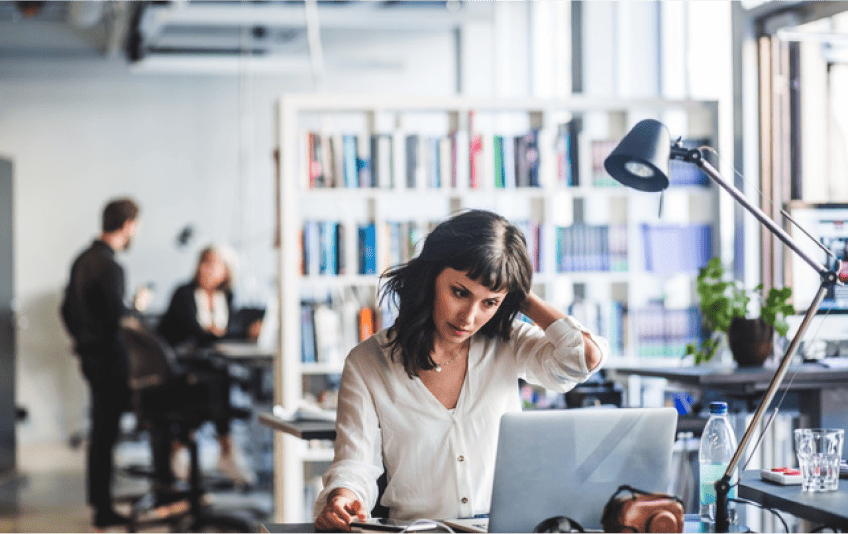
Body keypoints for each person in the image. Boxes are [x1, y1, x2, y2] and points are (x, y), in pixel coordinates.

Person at [313, 209, 609, 531]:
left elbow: (583, 358)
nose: (469, 318)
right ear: (431, 277)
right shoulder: (368, 362)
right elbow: (355, 463)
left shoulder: (508, 341)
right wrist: (342, 497)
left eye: (489, 303)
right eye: (460, 292)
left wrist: (519, 294)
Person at [60, 197, 140, 529]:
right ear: (127, 226)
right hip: (110, 362)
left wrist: (81, 340)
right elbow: (117, 320)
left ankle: (99, 502)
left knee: (100, 433)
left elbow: (66, 310)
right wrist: (136, 307)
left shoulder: (82, 259)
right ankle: (104, 510)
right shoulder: (111, 266)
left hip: (91, 358)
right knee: (106, 434)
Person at [156, 245, 258, 486]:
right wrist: (231, 332)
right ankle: (224, 449)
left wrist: (246, 330)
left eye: (212, 263)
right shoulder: (183, 294)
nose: (205, 268)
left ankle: (184, 447)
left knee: (217, 379)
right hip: (176, 370)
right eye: (203, 262)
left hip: (206, 369)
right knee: (216, 383)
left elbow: (227, 330)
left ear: (226, 272)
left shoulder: (228, 297)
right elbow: (196, 333)